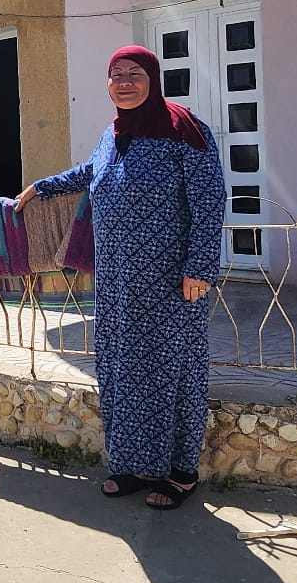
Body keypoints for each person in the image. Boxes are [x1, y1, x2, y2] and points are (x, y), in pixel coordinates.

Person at [15, 44, 226, 510]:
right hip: (116, 275)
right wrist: (43, 186)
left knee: (174, 368)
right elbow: (93, 172)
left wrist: (200, 268)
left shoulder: (185, 131)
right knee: (121, 368)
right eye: (115, 74)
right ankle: (132, 464)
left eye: (134, 73)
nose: (124, 82)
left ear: (152, 78)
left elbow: (210, 201)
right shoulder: (113, 133)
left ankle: (180, 472)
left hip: (170, 278)